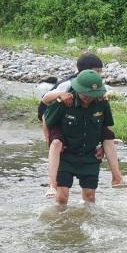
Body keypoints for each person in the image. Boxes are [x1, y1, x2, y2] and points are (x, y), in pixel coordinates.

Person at [38, 52, 127, 196]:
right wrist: (47, 140)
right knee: (55, 143)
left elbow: (105, 124)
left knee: (108, 136)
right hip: (53, 113)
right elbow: (44, 108)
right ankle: (52, 184)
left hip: (83, 118)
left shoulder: (96, 88)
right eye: (95, 71)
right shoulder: (67, 86)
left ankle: (117, 177)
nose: (98, 75)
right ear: (82, 72)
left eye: (100, 72)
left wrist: (102, 145)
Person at [42, 70, 113, 205]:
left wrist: (103, 147)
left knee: (90, 197)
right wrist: (49, 143)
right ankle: (60, 222)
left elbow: (106, 128)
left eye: (92, 95)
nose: (88, 98)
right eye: (85, 95)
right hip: (66, 155)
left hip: (89, 155)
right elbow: (46, 119)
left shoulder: (102, 103)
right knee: (62, 197)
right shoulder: (64, 101)